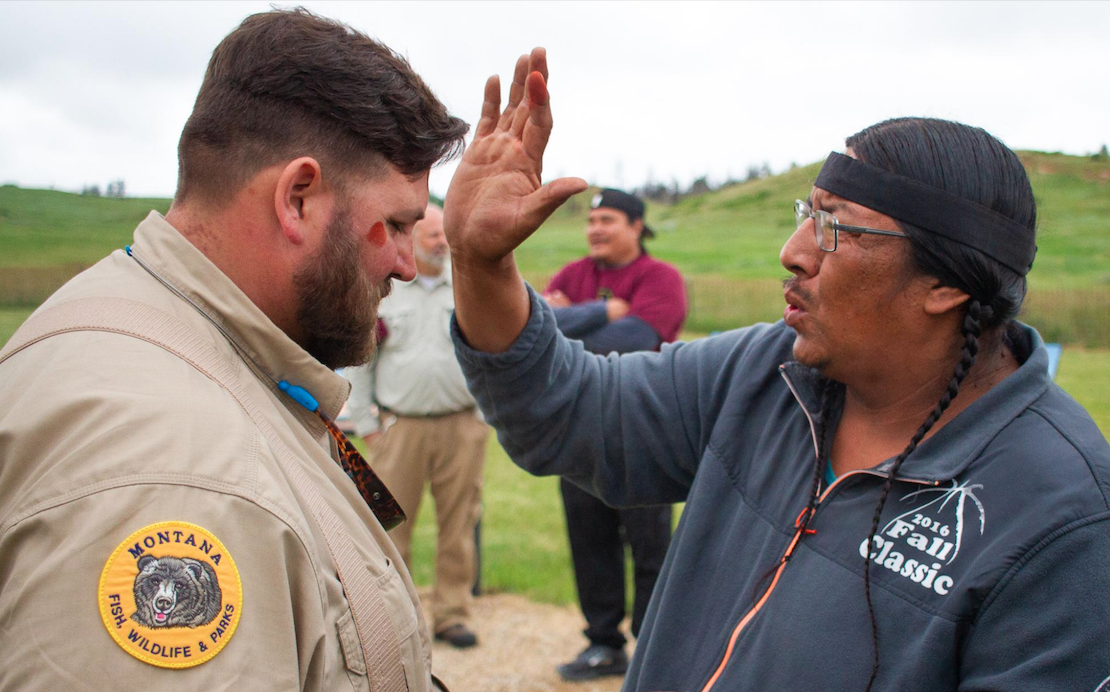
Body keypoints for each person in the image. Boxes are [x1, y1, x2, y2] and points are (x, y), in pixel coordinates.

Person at [441, 51, 1110, 691]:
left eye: (835, 227)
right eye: (805, 216)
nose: (792, 253)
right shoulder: (766, 373)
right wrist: (480, 264)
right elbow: (570, 413)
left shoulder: (1063, 517)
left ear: (944, 283)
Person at [0, 9, 470, 691]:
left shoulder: (173, 332)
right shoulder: (174, 469)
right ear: (298, 199)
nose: (406, 264)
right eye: (394, 223)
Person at [541, 188, 686, 680]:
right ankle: (603, 644)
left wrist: (567, 323)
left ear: (637, 226)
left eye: (608, 219)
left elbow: (638, 339)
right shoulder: (573, 274)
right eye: (591, 220)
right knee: (590, 541)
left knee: (650, 547)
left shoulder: (660, 278)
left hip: (646, 432)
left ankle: (653, 647)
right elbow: (538, 332)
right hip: (578, 432)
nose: (596, 228)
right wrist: (603, 311)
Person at [342, 203, 490, 650]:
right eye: (432, 236)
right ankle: (393, 620)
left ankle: (452, 614)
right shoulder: (386, 292)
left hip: (462, 426)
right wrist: (367, 424)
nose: (442, 243)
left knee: (459, 525)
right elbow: (362, 362)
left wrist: (484, 417)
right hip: (398, 428)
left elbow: (487, 353)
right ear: (411, 237)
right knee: (389, 527)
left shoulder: (467, 290)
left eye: (446, 235)